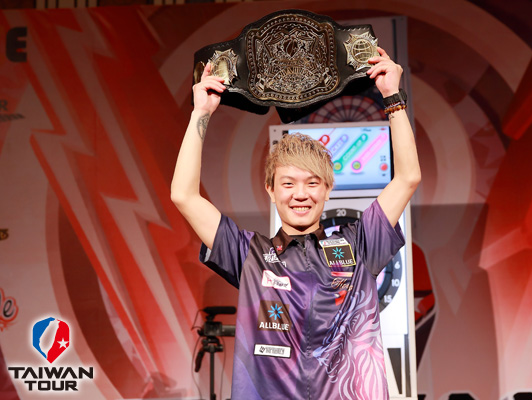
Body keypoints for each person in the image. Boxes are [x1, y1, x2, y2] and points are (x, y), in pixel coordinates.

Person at [171, 47, 420, 400]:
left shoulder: (359, 245)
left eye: (312, 183)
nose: (300, 194)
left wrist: (392, 98)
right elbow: (184, 195)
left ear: (328, 189)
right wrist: (200, 113)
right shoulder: (248, 254)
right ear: (271, 190)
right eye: (288, 183)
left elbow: (408, 177)